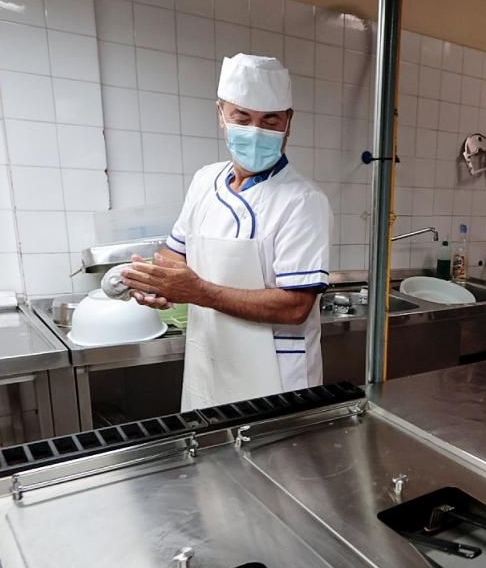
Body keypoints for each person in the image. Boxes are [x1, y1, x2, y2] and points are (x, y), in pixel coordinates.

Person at [122, 54, 330, 409]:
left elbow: (296, 307)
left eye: (270, 120)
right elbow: (176, 255)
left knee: (273, 461)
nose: (255, 131)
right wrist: (154, 282)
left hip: (276, 377)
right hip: (211, 360)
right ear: (221, 115)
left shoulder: (303, 200)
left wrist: (198, 290)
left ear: (288, 123)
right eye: (242, 117)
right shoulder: (205, 180)